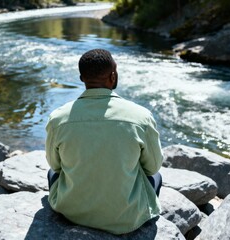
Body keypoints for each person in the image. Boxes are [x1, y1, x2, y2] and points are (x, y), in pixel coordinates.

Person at [45, 49, 163, 235]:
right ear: (113, 76)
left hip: (71, 213)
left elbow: (55, 165)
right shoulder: (141, 117)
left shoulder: (58, 118)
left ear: (82, 78)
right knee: (156, 178)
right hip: (127, 219)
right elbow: (152, 168)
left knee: (52, 172)